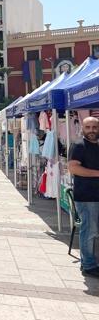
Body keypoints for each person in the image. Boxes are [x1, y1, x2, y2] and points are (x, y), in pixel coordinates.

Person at [68, 117, 99, 277]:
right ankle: (88, 265)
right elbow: (73, 168)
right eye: (88, 127)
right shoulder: (79, 145)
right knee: (89, 230)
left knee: (93, 230)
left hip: (95, 196)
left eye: (95, 127)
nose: (92, 130)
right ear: (83, 128)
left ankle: (89, 262)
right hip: (87, 197)